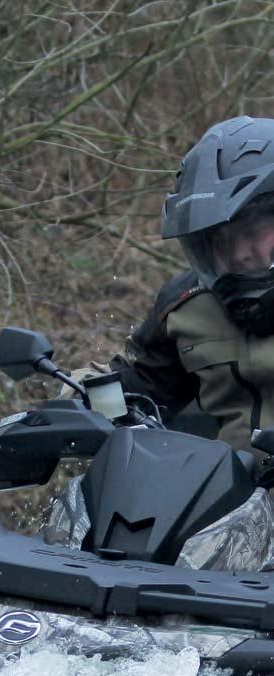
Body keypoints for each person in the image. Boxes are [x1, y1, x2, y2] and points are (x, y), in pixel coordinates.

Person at [107, 115, 274, 458]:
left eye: (251, 230)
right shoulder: (187, 305)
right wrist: (73, 402)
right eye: (221, 241)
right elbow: (138, 392)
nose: (239, 254)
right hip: (235, 503)